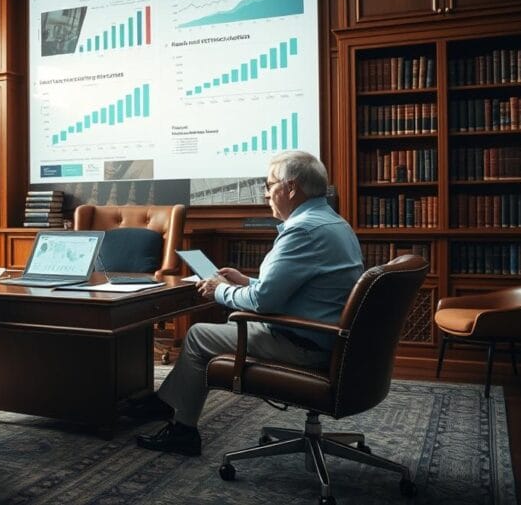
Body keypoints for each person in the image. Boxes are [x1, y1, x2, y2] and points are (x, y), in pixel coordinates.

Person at [135, 150, 363, 456]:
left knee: (198, 335)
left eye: (269, 185)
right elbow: (296, 290)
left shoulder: (302, 231)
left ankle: (182, 430)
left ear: (291, 188)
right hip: (329, 339)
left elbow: (262, 302)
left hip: (302, 344)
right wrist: (245, 281)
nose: (266, 193)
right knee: (210, 332)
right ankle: (165, 402)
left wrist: (218, 290)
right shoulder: (333, 223)